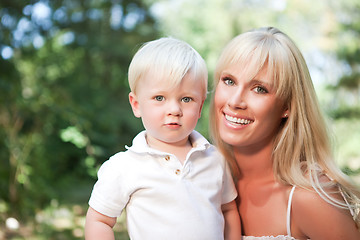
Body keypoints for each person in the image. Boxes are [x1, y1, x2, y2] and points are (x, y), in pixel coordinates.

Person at [209, 26, 360, 239]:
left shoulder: (309, 197)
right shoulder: (204, 180)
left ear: (287, 106)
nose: (234, 101)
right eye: (229, 81)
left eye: (259, 88)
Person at [85, 37, 242, 240]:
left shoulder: (215, 159)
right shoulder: (123, 167)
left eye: (186, 99)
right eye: (159, 98)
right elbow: (99, 220)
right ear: (136, 104)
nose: (174, 110)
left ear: (201, 106)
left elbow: (228, 210)